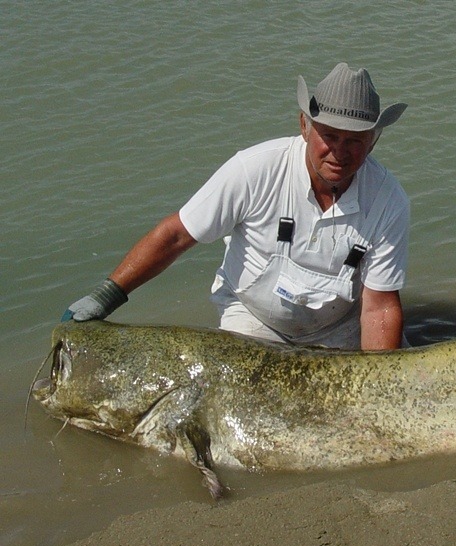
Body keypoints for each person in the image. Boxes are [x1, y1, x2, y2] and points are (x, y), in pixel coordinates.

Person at [63, 63, 410, 350]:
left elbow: (379, 305)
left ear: (373, 140)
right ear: (305, 126)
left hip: (338, 328)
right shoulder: (254, 169)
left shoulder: (388, 199)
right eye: (329, 136)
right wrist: (106, 296)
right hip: (253, 320)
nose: (339, 152)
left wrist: (380, 376)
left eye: (354, 141)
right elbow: (176, 236)